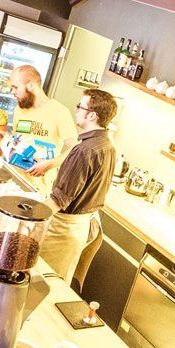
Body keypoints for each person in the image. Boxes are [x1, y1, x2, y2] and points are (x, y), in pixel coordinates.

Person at [38, 88, 117, 284]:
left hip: (63, 230)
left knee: (43, 283)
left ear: (92, 115)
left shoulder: (83, 150)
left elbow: (59, 200)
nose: (76, 110)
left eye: (80, 107)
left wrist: (28, 220)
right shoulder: (107, 145)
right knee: (58, 282)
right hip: (79, 227)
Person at [0, 64, 76, 185]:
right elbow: (19, 140)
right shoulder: (19, 109)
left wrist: (50, 164)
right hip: (12, 177)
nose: (13, 92)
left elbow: (75, 149)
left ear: (31, 85)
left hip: (39, 186)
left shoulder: (60, 112)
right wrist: (7, 138)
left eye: (15, 87)